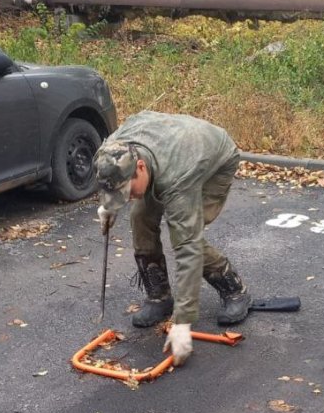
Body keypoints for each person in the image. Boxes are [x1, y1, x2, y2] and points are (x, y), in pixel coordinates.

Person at [93, 110, 251, 366]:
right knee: (139, 216)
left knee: (187, 233)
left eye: (127, 190)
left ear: (140, 167)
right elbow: (113, 181)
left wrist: (183, 322)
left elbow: (187, 248)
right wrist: (109, 207)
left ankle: (234, 288)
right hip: (167, 148)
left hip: (213, 160)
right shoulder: (110, 152)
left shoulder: (177, 177)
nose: (127, 196)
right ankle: (159, 296)